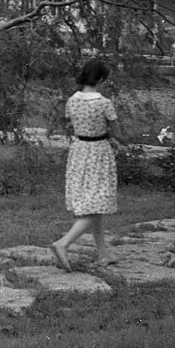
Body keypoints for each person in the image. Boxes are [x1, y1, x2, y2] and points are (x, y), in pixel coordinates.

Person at [50, 58, 124, 272]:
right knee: (97, 202)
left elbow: (70, 123)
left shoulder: (73, 100)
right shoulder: (103, 103)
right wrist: (115, 138)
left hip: (79, 150)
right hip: (98, 153)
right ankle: (63, 243)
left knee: (92, 202)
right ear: (100, 79)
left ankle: (103, 254)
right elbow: (116, 131)